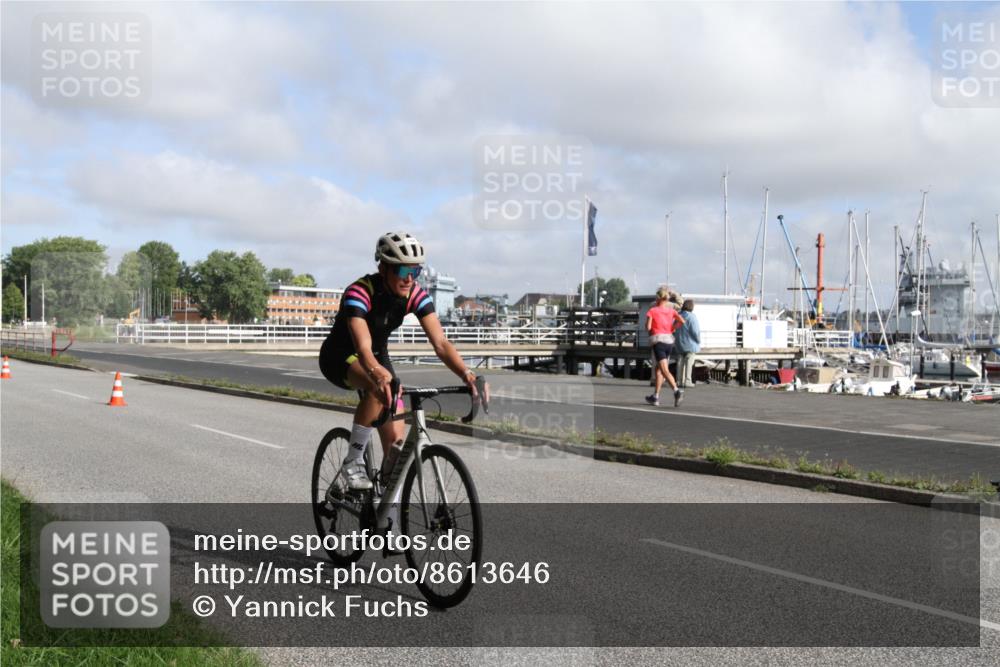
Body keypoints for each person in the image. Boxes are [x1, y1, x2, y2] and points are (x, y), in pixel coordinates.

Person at [319, 232, 480, 490]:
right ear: (383, 267)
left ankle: (382, 509)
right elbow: (363, 347)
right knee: (377, 384)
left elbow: (441, 343)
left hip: (378, 355)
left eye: (415, 271)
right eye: (403, 270)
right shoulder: (360, 291)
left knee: (395, 450)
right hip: (340, 356)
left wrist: (467, 374)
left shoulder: (414, 294)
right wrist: (377, 374)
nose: (409, 278)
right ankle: (353, 460)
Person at [645, 286, 685, 407]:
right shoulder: (672, 310)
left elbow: (648, 328)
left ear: (657, 298)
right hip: (669, 341)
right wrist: (672, 328)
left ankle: (677, 391)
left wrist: (649, 325)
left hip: (658, 342)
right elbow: (682, 321)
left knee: (664, 370)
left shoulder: (652, 310)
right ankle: (655, 396)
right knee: (659, 370)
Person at [675, 299, 701, 388]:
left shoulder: (678, 315)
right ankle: (687, 380)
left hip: (679, 343)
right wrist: (698, 341)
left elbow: (674, 328)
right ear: (691, 307)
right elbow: (695, 331)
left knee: (680, 361)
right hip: (690, 344)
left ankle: (678, 381)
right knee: (689, 362)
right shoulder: (692, 317)